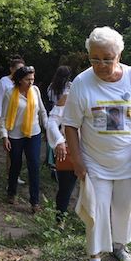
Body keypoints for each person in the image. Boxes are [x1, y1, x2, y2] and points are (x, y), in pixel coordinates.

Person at [63, 27, 131, 261]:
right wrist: (77, 160)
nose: (101, 64)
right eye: (95, 59)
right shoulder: (82, 83)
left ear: (119, 55)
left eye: (107, 58)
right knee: (96, 211)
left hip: (129, 160)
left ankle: (120, 247)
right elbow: (71, 126)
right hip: (95, 162)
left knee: (124, 209)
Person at [0, 66, 48, 213]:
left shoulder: (35, 91)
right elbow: (3, 118)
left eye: (32, 79)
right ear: (20, 80)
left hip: (33, 133)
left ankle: (35, 202)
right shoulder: (10, 93)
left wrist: (48, 128)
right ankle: (11, 192)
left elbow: (42, 111)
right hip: (15, 135)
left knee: (34, 165)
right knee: (16, 164)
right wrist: (5, 136)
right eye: (28, 80)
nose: (31, 82)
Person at [46, 92, 78, 229]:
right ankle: (60, 221)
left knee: (97, 189)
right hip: (69, 148)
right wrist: (59, 141)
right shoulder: (70, 95)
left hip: (94, 150)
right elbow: (52, 121)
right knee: (65, 188)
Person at [0, 57, 26, 184]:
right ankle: (11, 175)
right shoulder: (4, 82)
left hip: (21, 121)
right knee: (10, 150)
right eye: (18, 69)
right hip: (7, 120)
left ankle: (14, 174)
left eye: (22, 69)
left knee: (18, 151)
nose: (20, 71)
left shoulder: (23, 82)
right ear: (11, 69)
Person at [46, 66, 73, 178]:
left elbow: (50, 99)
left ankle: (52, 162)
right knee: (64, 140)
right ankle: (63, 163)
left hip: (55, 112)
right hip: (65, 113)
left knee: (53, 138)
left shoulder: (51, 87)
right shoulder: (70, 86)